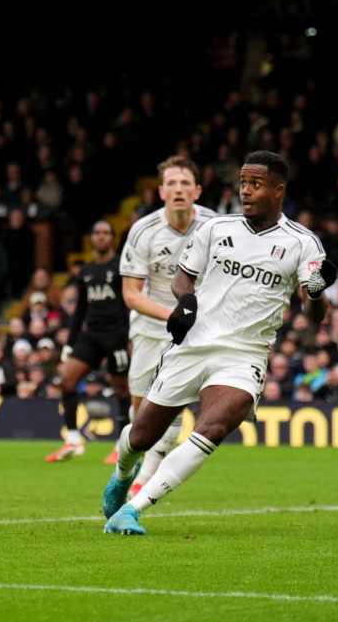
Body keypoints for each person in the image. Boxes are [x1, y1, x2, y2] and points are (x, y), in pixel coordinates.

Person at [103, 151, 335, 535]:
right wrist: (187, 301)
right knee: (142, 435)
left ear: (278, 190)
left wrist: (314, 293)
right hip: (193, 344)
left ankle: (133, 509)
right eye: (242, 182)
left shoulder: (303, 244)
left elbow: (316, 313)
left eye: (255, 184)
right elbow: (183, 277)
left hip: (244, 355)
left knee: (211, 428)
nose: (245, 191)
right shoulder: (215, 228)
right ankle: (122, 476)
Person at [114, 155, 217, 492]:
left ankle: (143, 480)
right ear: (160, 192)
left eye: (185, 183)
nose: (178, 189)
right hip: (151, 325)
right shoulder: (143, 231)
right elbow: (131, 294)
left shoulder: (216, 227)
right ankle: (130, 466)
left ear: (197, 190)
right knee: (141, 409)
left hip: (198, 328)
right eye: (171, 183)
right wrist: (173, 315)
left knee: (175, 400)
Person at [45, 221, 130, 462]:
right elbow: (80, 311)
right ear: (92, 239)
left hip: (117, 334)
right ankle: (73, 440)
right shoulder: (87, 271)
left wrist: (130, 336)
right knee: (68, 381)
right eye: (97, 233)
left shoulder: (121, 267)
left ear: (112, 238)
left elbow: (129, 303)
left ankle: (121, 446)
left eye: (106, 233)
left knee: (121, 389)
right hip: (91, 334)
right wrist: (70, 344)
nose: (101, 237)